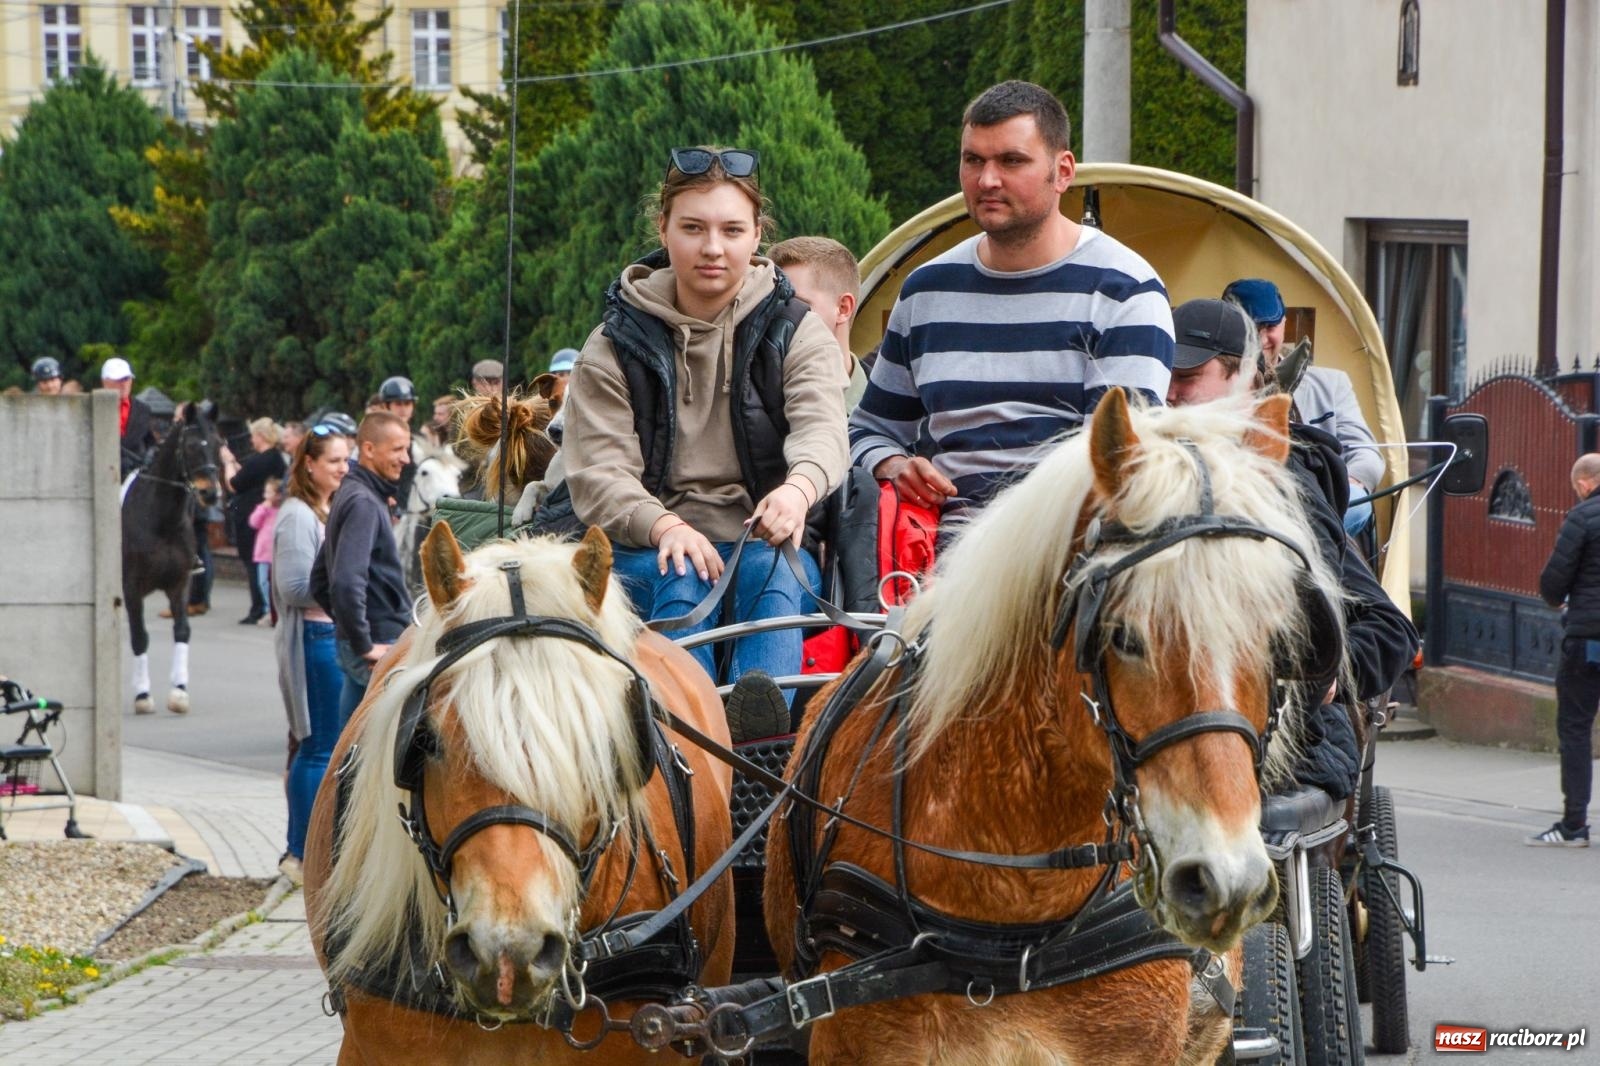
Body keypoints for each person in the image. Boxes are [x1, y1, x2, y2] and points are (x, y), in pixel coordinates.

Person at [560, 145, 847, 708]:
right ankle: (687, 748)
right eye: (693, 228)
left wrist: (798, 489)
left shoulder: (798, 331)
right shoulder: (611, 344)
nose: (713, 248)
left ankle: (762, 744)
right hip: (646, 547)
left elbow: (824, 430)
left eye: (732, 229)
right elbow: (599, 474)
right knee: (684, 571)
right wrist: (665, 527)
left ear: (757, 235)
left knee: (775, 567)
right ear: (664, 229)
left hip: (761, 543)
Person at [848, 81, 1174, 524]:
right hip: (944, 536)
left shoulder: (1125, 289)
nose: (987, 180)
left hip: (1070, 540)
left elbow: (1114, 458)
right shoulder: (926, 289)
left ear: (1062, 172)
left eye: (1012, 161)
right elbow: (869, 430)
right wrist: (896, 466)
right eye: (973, 160)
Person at [1165, 298, 1419, 799]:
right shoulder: (1145, 471)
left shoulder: (1289, 480)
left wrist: (1326, 673)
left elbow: (1389, 629)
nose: (1169, 392)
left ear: (1240, 378)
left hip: (1280, 739)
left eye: (1188, 376)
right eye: (1163, 375)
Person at [1223, 277, 1385, 536]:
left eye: (1269, 326)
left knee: (1358, 507)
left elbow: (1367, 453)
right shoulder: (1214, 384)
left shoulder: (1331, 384)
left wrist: (1348, 487)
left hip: (1321, 504)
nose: (1261, 338)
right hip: (1242, 508)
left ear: (1284, 324)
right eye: (1250, 328)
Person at [273, 425, 352, 884]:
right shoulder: (298, 516)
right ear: (310, 465)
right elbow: (293, 587)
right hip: (314, 641)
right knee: (316, 747)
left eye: (346, 460)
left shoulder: (324, 510)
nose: (344, 468)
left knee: (325, 747)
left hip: (329, 637)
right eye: (334, 461)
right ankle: (298, 853)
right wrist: (345, 588)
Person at [311, 411, 413, 722]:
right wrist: (364, 643)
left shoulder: (355, 494)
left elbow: (319, 580)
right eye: (397, 449)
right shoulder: (364, 502)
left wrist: (351, 631)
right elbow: (343, 581)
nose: (406, 459)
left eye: (406, 449)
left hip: (370, 640)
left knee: (353, 747)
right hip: (379, 643)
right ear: (368, 449)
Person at [1531, 453, 1600, 846]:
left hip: (1589, 641)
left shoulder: (1582, 517)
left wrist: (1557, 598)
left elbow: (1555, 580)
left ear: (1585, 483)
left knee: (1575, 728)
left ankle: (1574, 825)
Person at [769, 236, 868, 411]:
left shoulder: (892, 412)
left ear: (843, 308)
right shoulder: (748, 401)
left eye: (794, 304)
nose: (778, 317)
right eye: (769, 305)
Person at [227, 418, 287, 624]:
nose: (251, 440)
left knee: (253, 562)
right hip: (269, 517)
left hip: (252, 516)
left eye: (253, 435)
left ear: (260, 437)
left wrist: (227, 463)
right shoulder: (276, 459)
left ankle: (258, 607)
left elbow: (234, 484)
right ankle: (266, 606)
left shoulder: (258, 460)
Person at [101, 357, 156, 479]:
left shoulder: (143, 410)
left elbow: (151, 442)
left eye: (126, 379)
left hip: (136, 475)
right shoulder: (94, 408)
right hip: (103, 474)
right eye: (118, 379)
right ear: (105, 382)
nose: (123, 383)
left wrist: (148, 457)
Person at [376, 375, 419, 511]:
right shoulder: (373, 437)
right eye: (398, 404)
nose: (403, 409)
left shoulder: (419, 440)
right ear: (385, 406)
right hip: (382, 506)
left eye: (407, 404)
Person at [248, 476, 283, 627]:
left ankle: (276, 611)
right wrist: (263, 508)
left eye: (270, 493)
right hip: (263, 554)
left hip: (277, 555)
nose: (266, 496)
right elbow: (253, 522)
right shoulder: (264, 509)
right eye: (266, 492)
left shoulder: (282, 510)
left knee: (276, 586)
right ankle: (268, 609)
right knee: (263, 583)